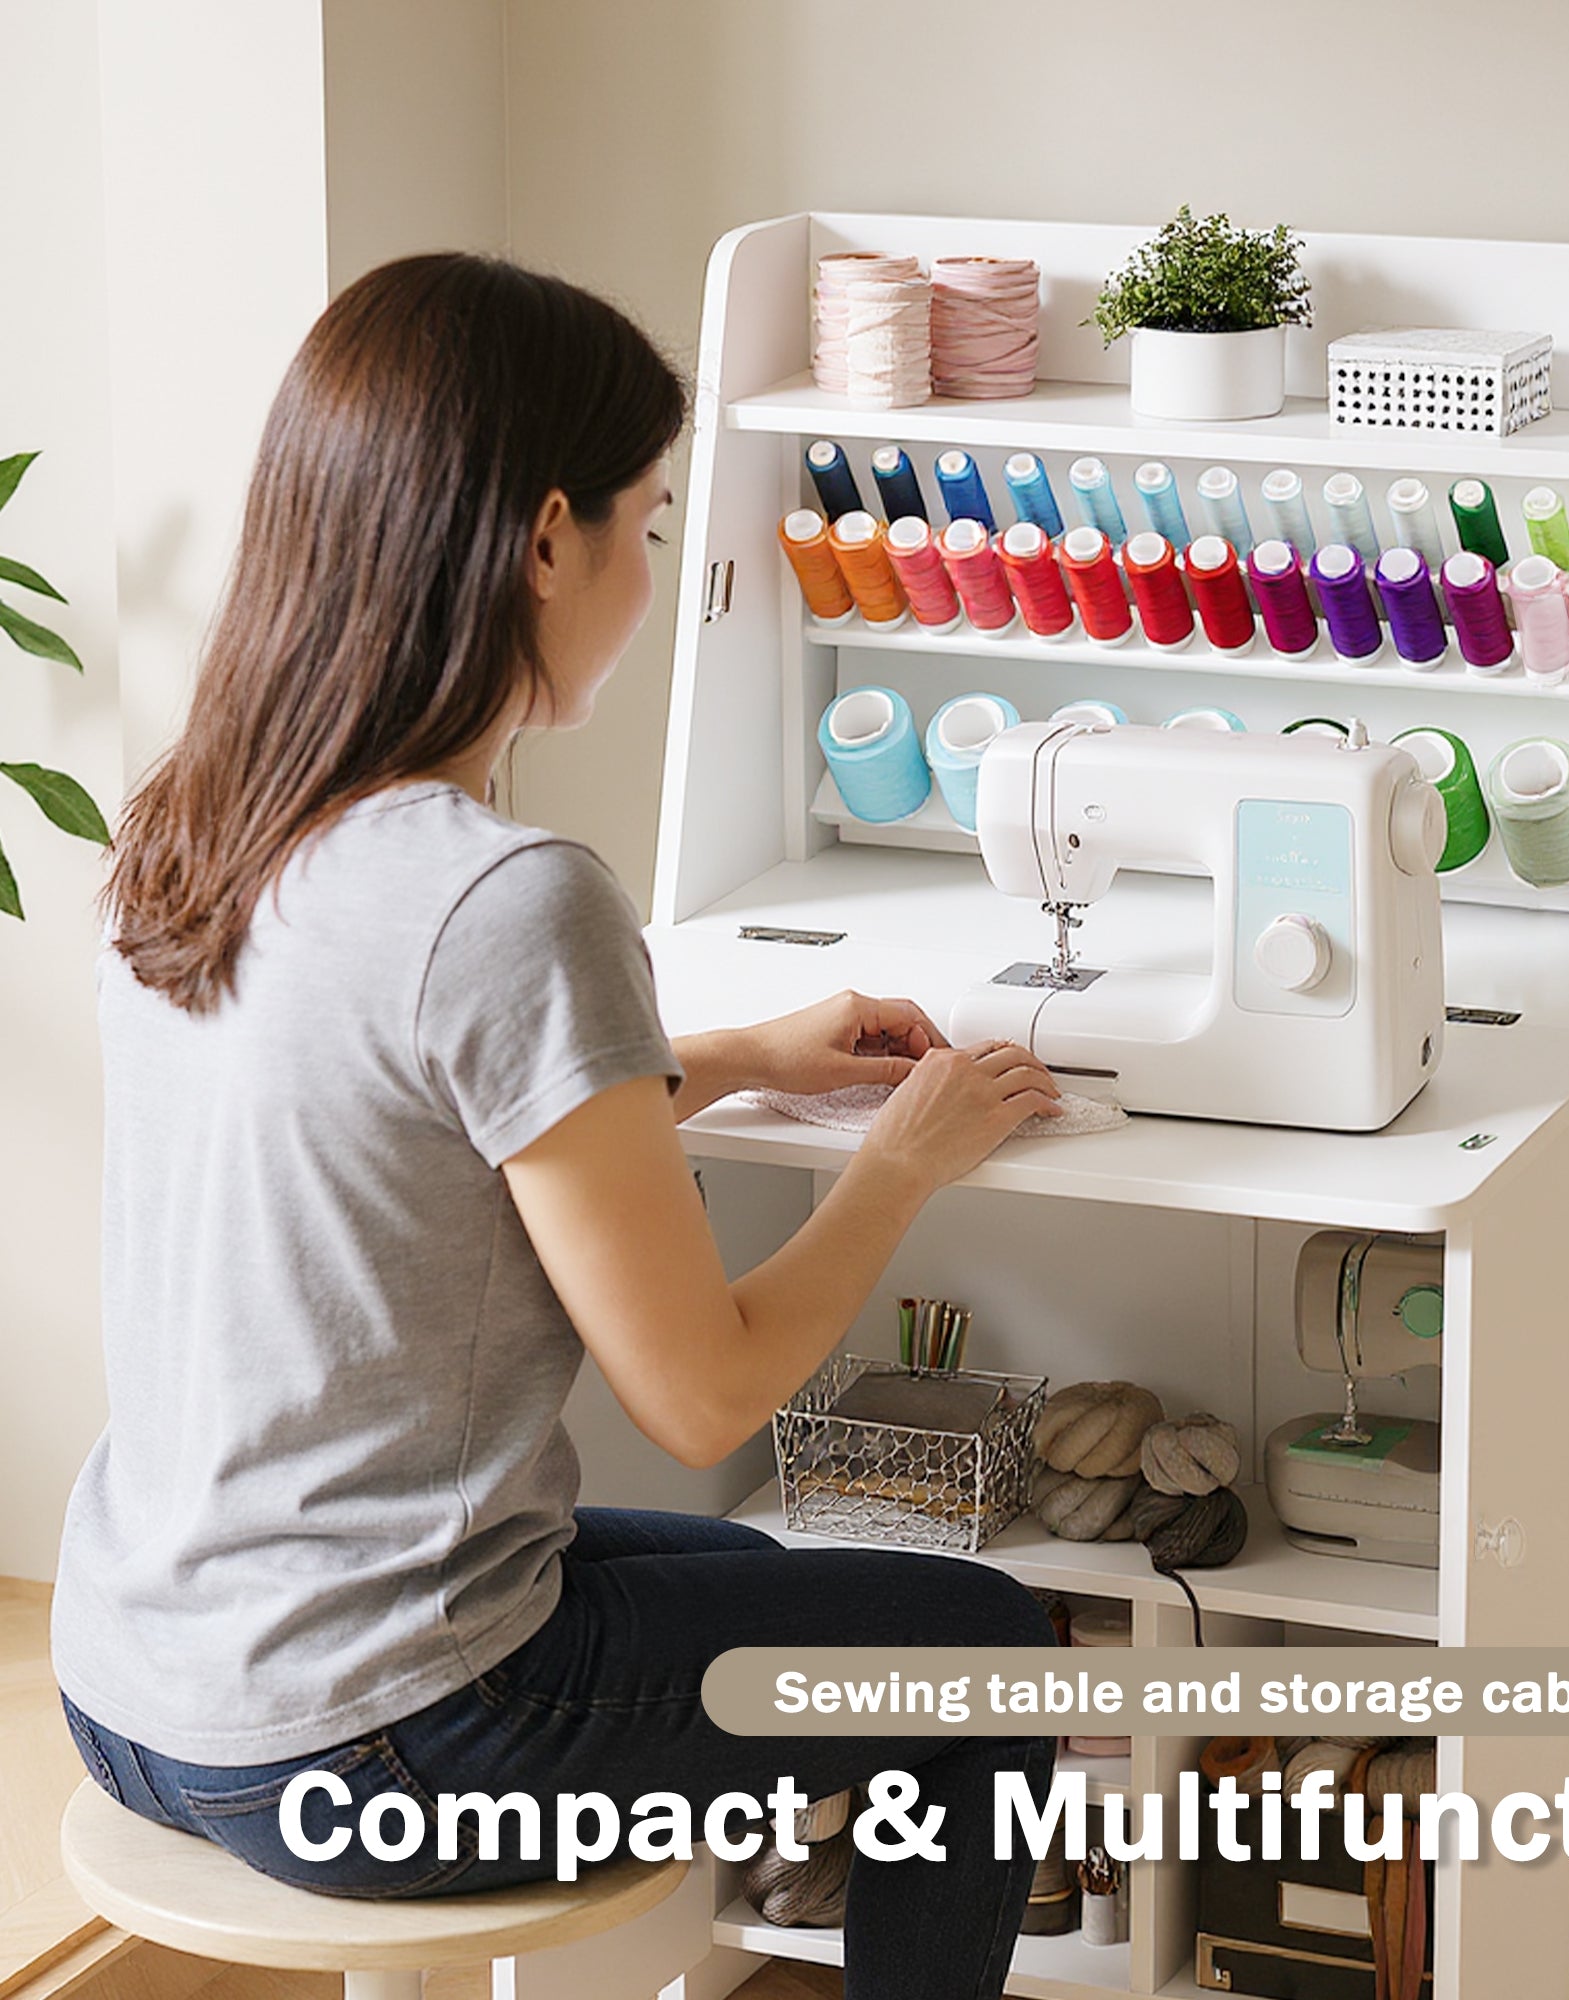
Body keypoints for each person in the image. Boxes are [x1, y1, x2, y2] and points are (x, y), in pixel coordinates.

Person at [50, 254, 1063, 2000]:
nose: (654, 579)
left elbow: (385, 1126)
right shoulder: (512, 896)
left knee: (748, 1570)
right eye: (648, 527)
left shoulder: (205, 825)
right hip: (373, 1748)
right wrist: (906, 1161)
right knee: (983, 1656)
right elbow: (706, 1395)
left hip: (137, 1680)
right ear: (542, 539)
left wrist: (735, 1052)